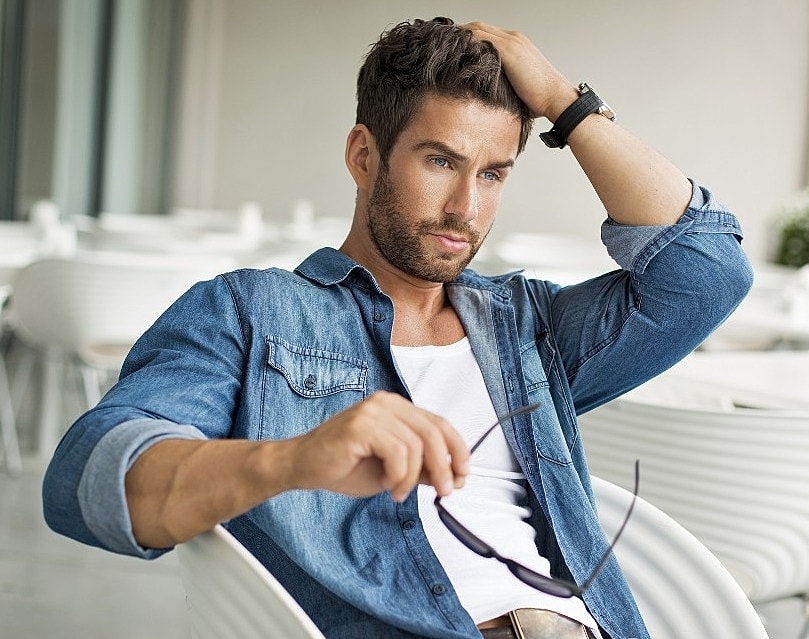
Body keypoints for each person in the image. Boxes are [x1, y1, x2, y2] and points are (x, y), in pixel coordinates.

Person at [42, 17, 752, 639]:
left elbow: (708, 273)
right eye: (440, 161)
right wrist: (292, 458)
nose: (465, 208)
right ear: (363, 155)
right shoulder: (250, 311)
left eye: (494, 173)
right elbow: (88, 482)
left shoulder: (530, 328)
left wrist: (565, 102)